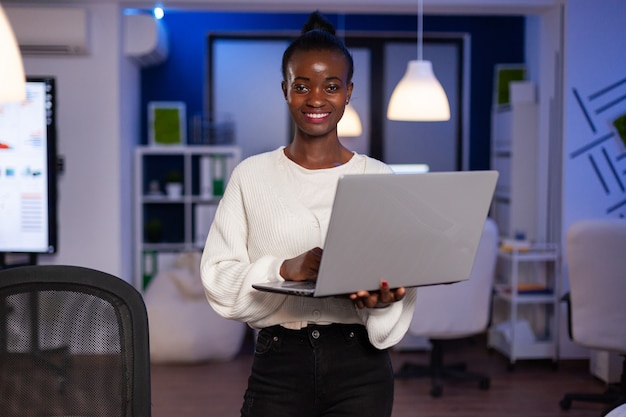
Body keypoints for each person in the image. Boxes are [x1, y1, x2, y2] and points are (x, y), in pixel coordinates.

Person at [200, 11, 417, 417]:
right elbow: (217, 279)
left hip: (362, 368)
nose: (316, 99)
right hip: (279, 365)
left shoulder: (380, 177)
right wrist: (284, 268)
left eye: (331, 86)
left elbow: (397, 286)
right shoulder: (251, 176)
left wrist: (383, 301)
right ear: (285, 90)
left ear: (348, 92)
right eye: (302, 86)